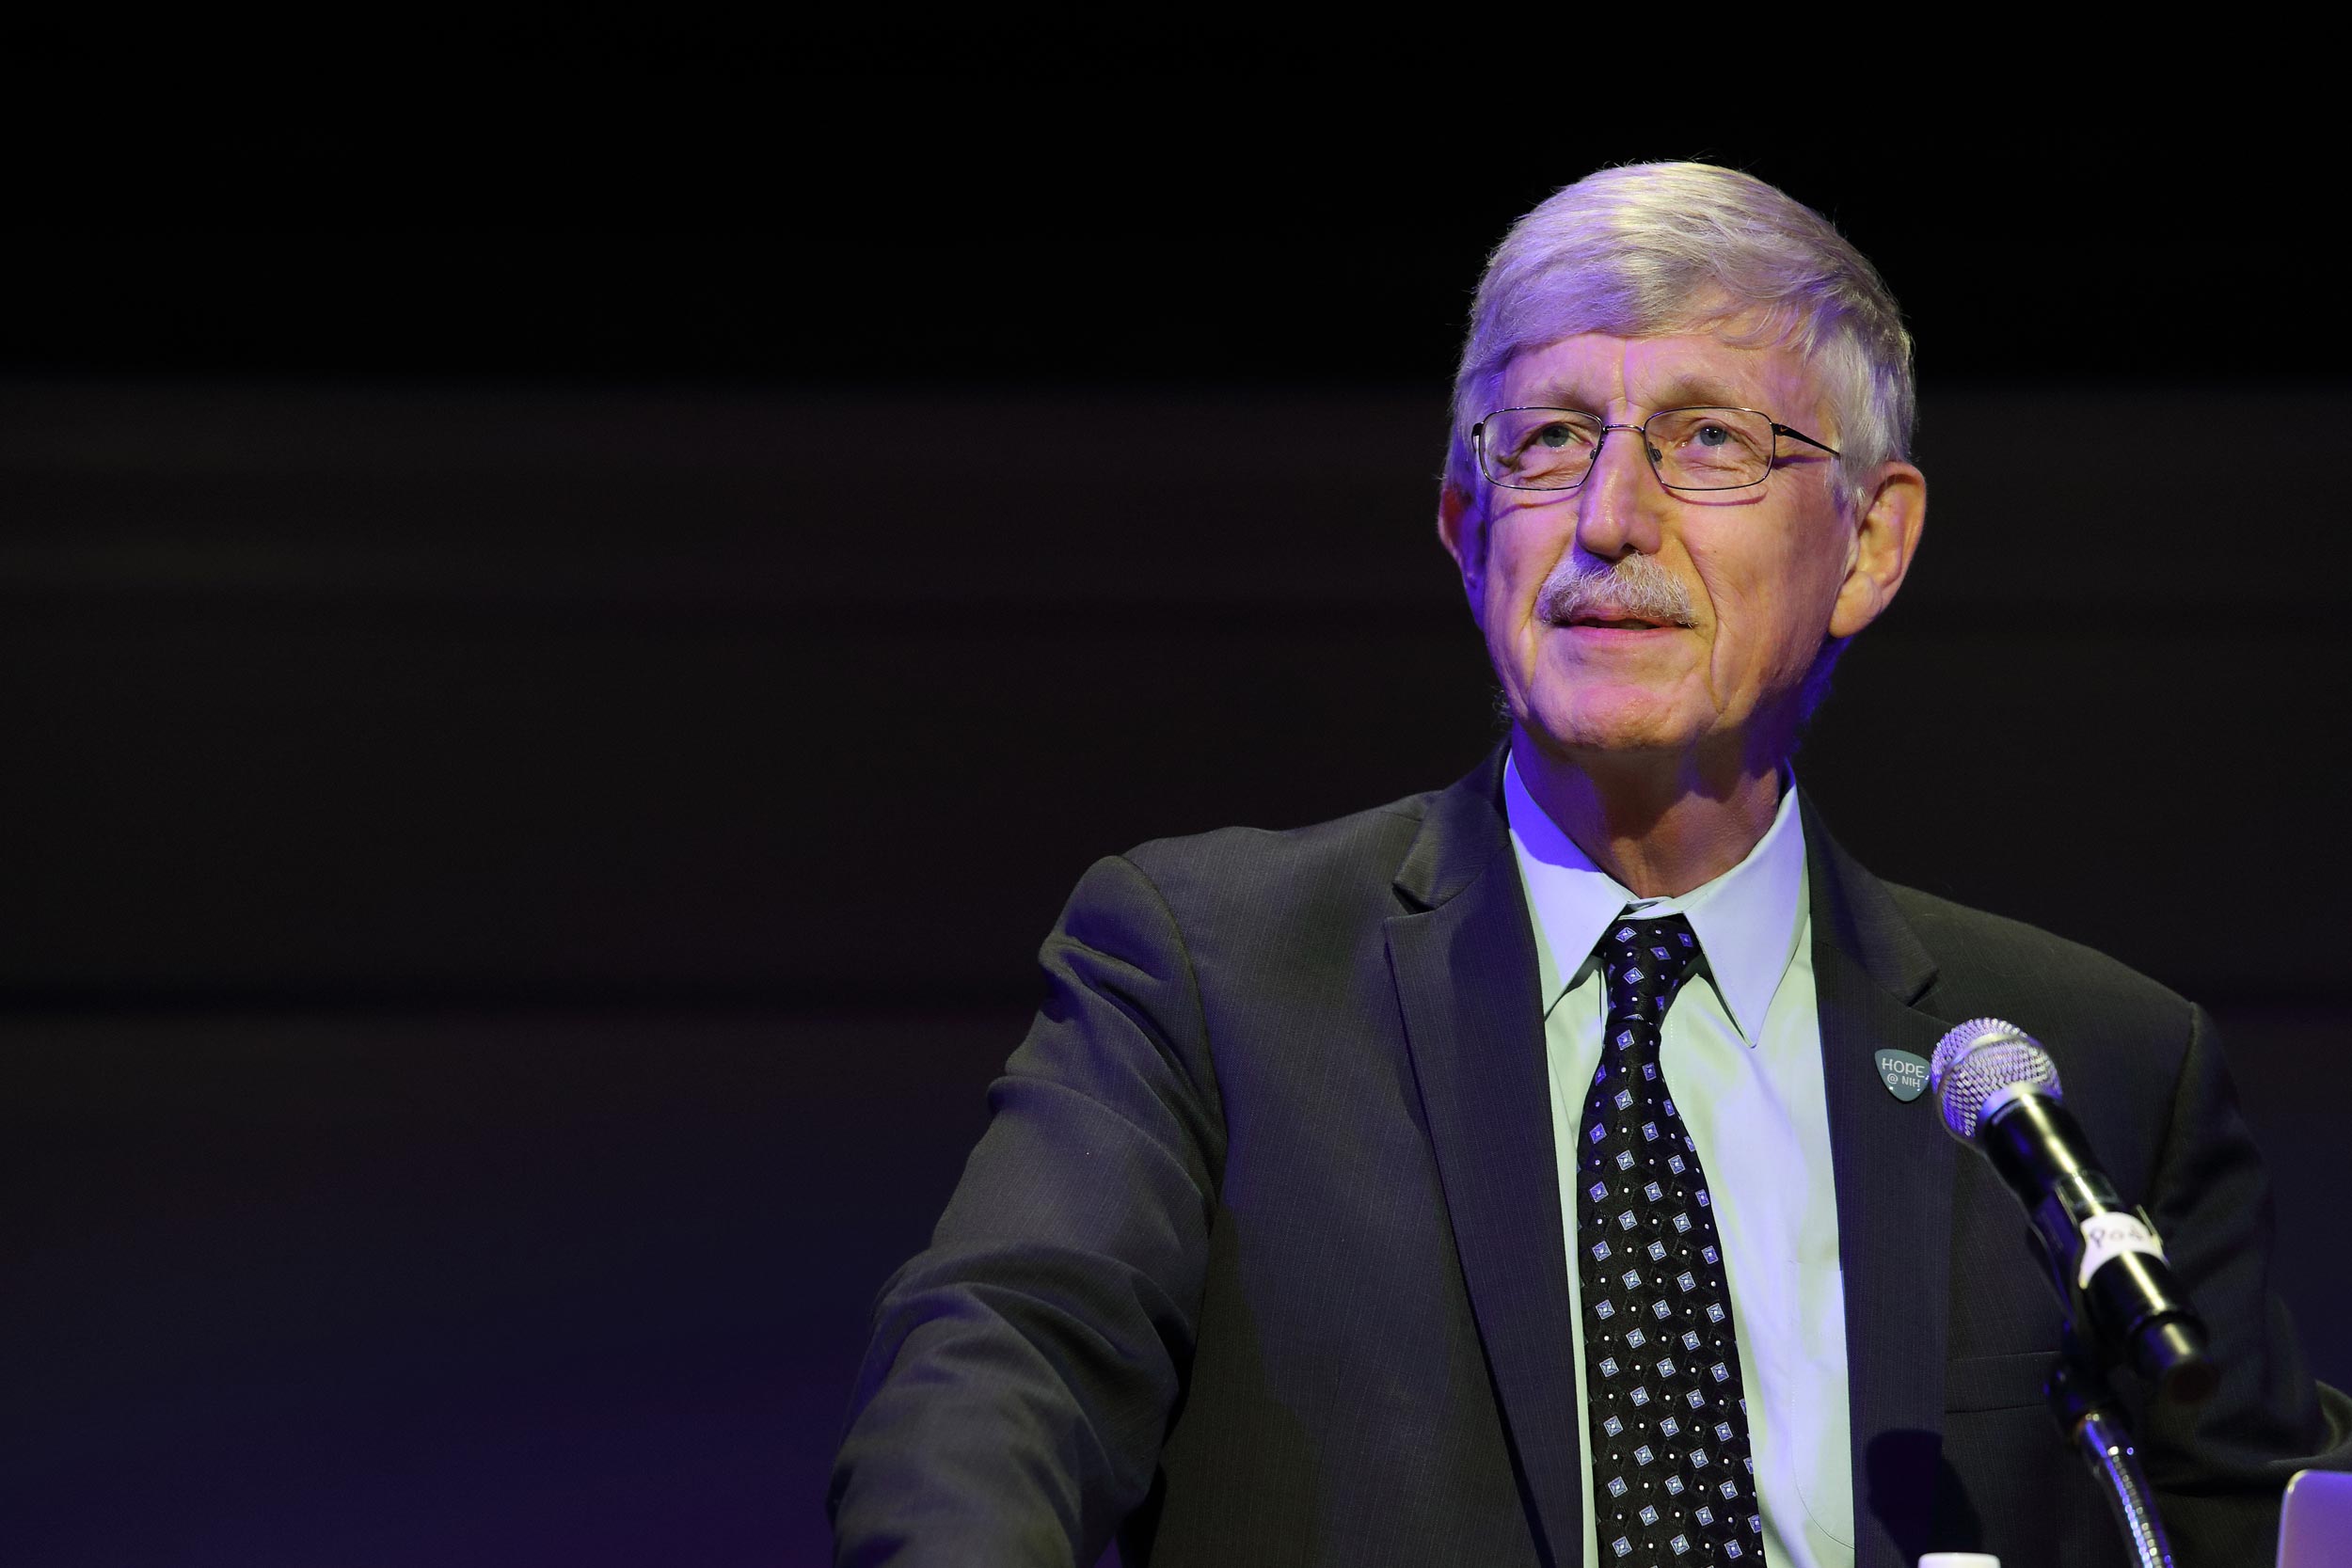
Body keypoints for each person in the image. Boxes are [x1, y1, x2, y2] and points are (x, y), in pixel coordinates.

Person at [828, 163, 2351, 1568]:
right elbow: (993, 1380)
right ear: (1463, 518)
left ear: (1871, 546)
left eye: (1709, 441)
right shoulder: (1212, 969)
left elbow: (2270, 1509)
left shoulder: (2082, 1069)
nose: (1609, 519)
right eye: (1551, 439)